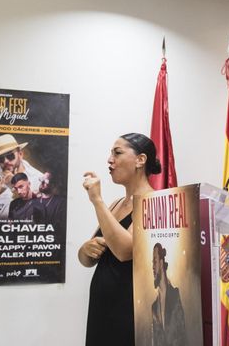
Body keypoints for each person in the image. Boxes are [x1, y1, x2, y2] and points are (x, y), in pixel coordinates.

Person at [79, 133, 159, 346]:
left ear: (140, 160)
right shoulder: (115, 205)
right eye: (110, 153)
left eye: (117, 153)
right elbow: (87, 260)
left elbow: (124, 251)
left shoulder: (154, 201)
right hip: (102, 308)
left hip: (127, 308)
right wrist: (86, 249)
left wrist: (96, 200)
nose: (109, 160)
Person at [151, 242, 186, 346]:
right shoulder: (153, 307)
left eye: (155, 262)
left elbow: (183, 335)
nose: (152, 267)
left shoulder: (176, 295)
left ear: (161, 263)